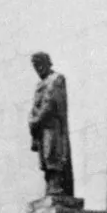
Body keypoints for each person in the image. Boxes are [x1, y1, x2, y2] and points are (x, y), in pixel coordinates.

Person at [28, 52, 74, 200]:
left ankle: (56, 186)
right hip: (41, 128)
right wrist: (32, 119)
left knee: (52, 153)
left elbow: (51, 102)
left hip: (52, 126)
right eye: (36, 66)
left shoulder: (56, 79)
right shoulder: (39, 84)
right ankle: (50, 186)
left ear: (48, 63)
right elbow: (35, 106)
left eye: (41, 64)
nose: (38, 68)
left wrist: (37, 119)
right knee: (44, 158)